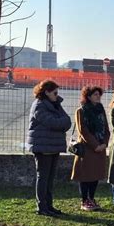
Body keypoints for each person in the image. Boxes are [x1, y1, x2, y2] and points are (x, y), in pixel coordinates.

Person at [27, 80, 71, 216]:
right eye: (55, 93)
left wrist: (61, 122)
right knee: (43, 177)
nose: (57, 95)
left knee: (50, 178)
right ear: (46, 92)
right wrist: (61, 123)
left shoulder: (55, 104)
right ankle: (42, 207)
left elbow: (67, 121)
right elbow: (53, 122)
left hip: (53, 146)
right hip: (43, 146)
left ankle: (49, 205)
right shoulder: (39, 105)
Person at [71, 86, 110, 211]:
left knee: (95, 175)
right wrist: (95, 145)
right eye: (95, 94)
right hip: (87, 148)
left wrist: (104, 143)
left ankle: (92, 198)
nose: (98, 96)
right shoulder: (81, 111)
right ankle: (84, 200)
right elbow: (83, 131)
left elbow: (106, 129)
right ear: (88, 96)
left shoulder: (100, 109)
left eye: (99, 94)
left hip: (100, 147)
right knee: (85, 175)